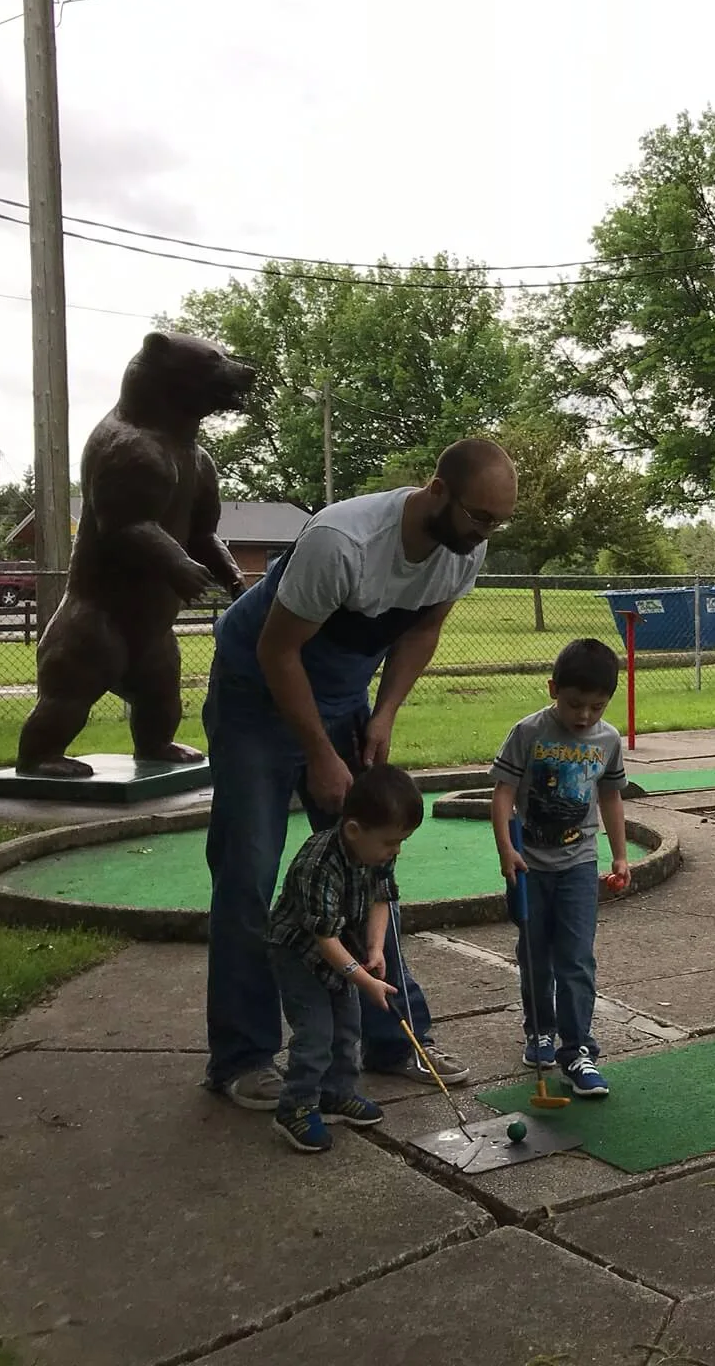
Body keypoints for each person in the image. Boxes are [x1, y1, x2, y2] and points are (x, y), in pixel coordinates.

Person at [201, 438, 518, 1111]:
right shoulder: (342, 541)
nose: (486, 534)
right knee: (249, 875)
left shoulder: (465, 550)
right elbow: (277, 651)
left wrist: (384, 713)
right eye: (480, 517)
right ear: (438, 491)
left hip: (344, 693)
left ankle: (394, 1039)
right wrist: (319, 753)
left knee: (368, 867)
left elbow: (423, 629)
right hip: (257, 691)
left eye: (498, 522)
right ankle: (244, 1056)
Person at [491, 638, 630, 1099]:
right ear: (553, 689)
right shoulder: (528, 732)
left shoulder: (607, 740)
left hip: (578, 864)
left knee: (575, 958)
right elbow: (504, 793)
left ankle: (577, 1050)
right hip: (529, 865)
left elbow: (610, 795)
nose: (584, 716)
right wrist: (505, 850)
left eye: (596, 706)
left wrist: (620, 853)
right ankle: (540, 1032)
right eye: (574, 704)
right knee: (535, 956)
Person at [266, 763, 423, 1153]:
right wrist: (364, 979)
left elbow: (382, 897)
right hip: (299, 953)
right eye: (390, 842)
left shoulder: (376, 851)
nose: (396, 850)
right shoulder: (318, 864)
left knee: (348, 1027)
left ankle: (336, 1093)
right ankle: (296, 1107)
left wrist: (373, 949)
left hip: (342, 949)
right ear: (354, 830)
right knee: (316, 1032)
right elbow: (324, 941)